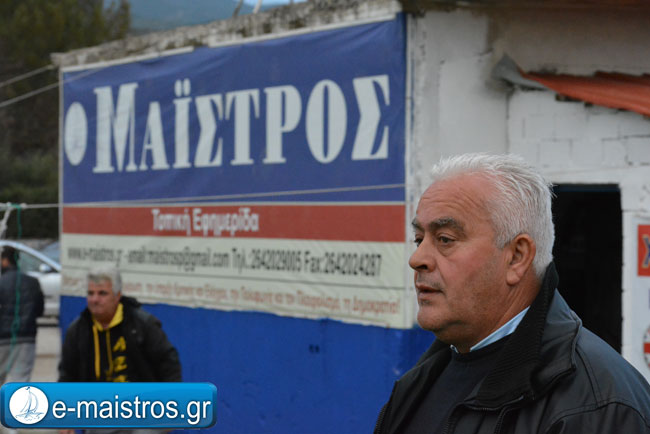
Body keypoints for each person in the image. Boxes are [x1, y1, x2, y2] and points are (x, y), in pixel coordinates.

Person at [374, 153, 650, 434]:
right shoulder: (418, 384)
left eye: (445, 239)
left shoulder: (597, 407)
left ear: (517, 257)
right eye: (419, 239)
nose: (417, 259)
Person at [59, 266, 181, 383]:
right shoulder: (77, 331)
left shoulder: (142, 325)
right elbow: (66, 375)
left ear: (117, 296)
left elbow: (169, 366)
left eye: (102, 293)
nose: (95, 299)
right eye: (91, 293)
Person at [0, 246, 44, 385]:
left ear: (5, 261)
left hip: (2, 339)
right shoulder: (33, 282)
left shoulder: (1, 283)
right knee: (21, 382)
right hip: (27, 339)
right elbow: (40, 310)